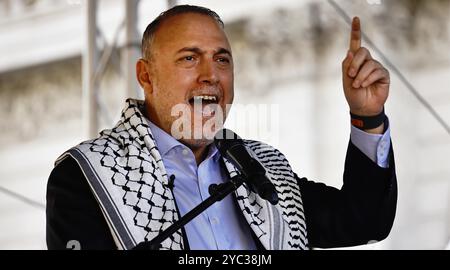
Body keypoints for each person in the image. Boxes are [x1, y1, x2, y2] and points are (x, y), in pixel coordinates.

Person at [46, 5, 397, 250]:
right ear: (145, 76)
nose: (210, 75)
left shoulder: (261, 168)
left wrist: (367, 117)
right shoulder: (88, 176)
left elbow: (363, 221)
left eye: (222, 59)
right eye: (189, 57)